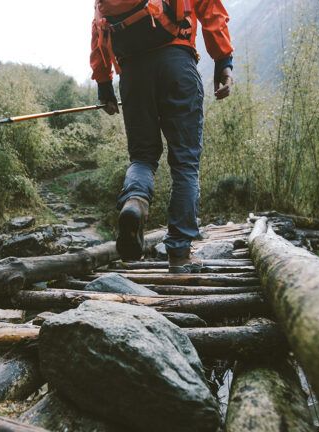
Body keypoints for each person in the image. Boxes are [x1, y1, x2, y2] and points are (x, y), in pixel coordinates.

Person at [90, 0, 234, 273]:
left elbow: (99, 29)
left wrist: (104, 83)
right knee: (185, 163)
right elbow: (210, 9)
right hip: (177, 63)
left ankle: (135, 200)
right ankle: (179, 254)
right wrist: (223, 60)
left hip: (132, 73)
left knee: (142, 157)